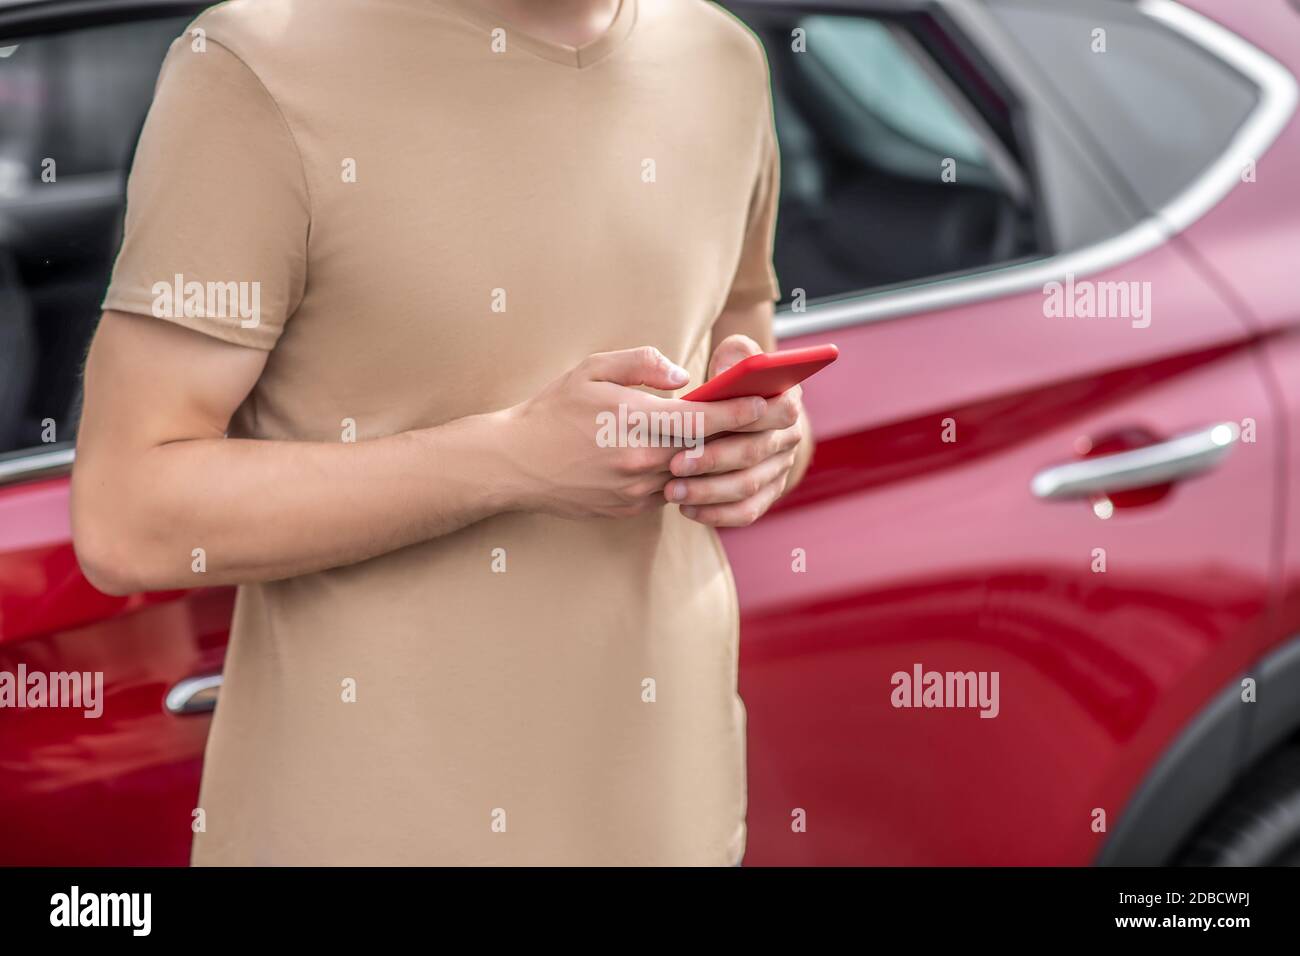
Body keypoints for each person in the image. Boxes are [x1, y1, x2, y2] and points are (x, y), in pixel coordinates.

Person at [72, 0, 812, 866]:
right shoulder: (257, 62)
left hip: (675, 818)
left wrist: (771, 448)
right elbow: (127, 518)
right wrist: (510, 462)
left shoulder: (723, 58)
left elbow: (747, 352)